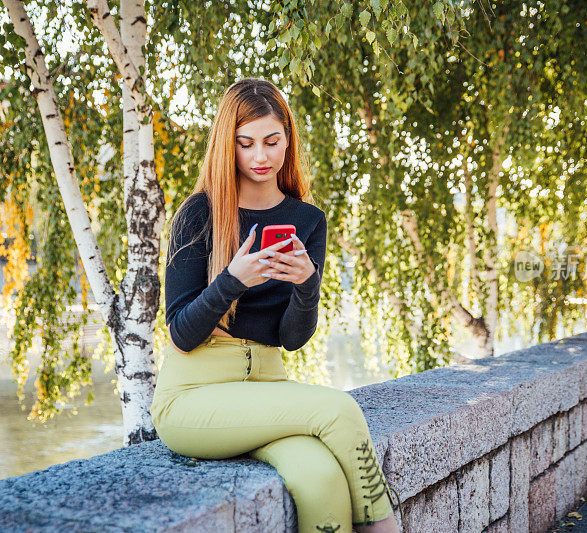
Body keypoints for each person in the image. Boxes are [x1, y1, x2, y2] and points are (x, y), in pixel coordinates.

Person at [149, 78, 401, 533]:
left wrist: (307, 285)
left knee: (322, 478)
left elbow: (292, 339)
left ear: (288, 138)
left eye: (271, 141)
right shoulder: (198, 213)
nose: (260, 157)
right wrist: (232, 281)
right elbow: (181, 333)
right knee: (340, 411)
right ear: (229, 146)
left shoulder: (307, 220)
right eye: (245, 144)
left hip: (265, 388)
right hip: (192, 399)